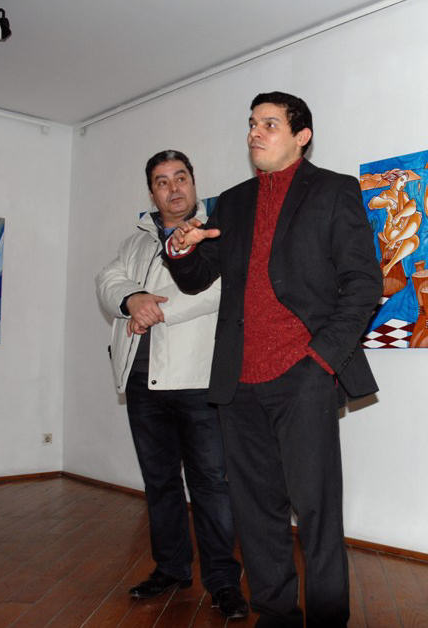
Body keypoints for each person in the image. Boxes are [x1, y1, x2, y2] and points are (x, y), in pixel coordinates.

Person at [164, 92, 382, 627]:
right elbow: (197, 277)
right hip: (237, 381)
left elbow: (363, 284)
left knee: (316, 511)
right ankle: (276, 615)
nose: (254, 133)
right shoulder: (232, 202)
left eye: (269, 124)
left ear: (301, 136)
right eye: (251, 124)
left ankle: (327, 618)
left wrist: (320, 360)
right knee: (256, 512)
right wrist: (182, 248)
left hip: (303, 375)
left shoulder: (334, 191)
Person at [95, 150, 248, 620]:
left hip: (196, 380)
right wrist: (131, 299)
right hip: (140, 381)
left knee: (210, 484)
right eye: (162, 181)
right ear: (152, 192)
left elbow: (220, 291)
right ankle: (171, 568)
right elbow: (107, 279)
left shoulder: (215, 232)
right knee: (159, 482)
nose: (174, 188)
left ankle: (223, 581)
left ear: (193, 183)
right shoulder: (136, 242)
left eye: (181, 177)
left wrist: (152, 312)